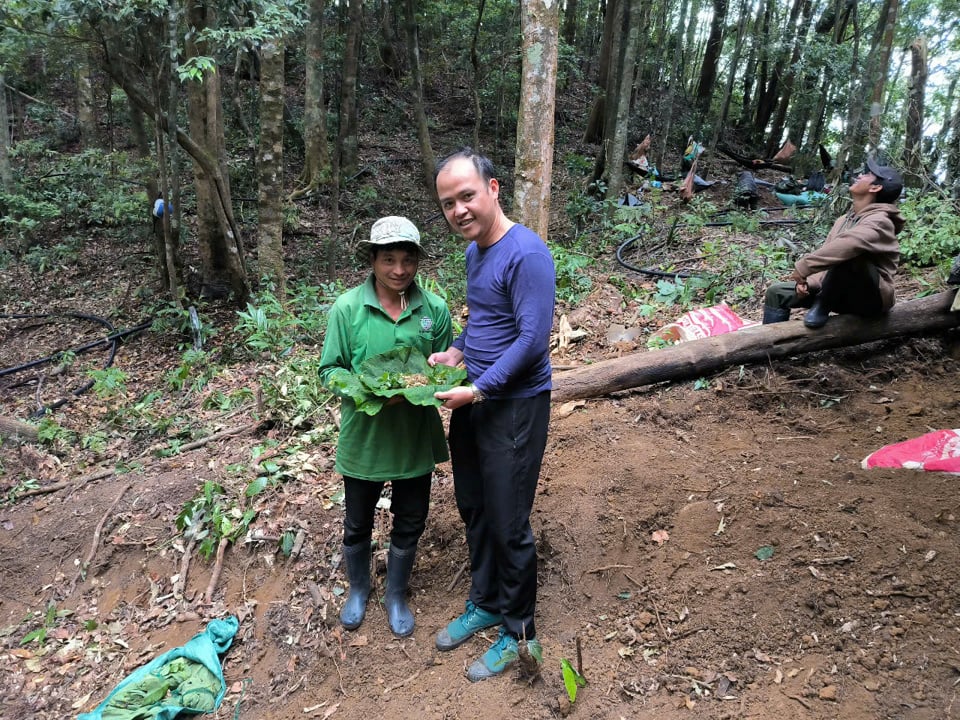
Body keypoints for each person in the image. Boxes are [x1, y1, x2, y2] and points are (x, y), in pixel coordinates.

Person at [429, 148, 555, 682]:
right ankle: (485, 602)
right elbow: (482, 322)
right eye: (448, 203)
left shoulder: (526, 253)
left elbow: (531, 340)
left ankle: (519, 630)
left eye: (467, 196)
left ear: (493, 189)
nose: (458, 210)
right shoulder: (475, 252)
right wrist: (456, 352)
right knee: (475, 507)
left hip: (514, 406)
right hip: (475, 400)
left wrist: (478, 389)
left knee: (509, 521)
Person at [318, 216, 453, 637]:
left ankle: (396, 593)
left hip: (414, 437)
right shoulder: (348, 309)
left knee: (410, 518)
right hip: (365, 437)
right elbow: (330, 370)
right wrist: (366, 391)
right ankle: (358, 589)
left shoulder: (433, 309)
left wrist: (431, 383)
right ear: (372, 259)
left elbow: (448, 367)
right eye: (388, 259)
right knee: (357, 521)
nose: (399, 269)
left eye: (407, 259)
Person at [762, 156, 904, 329]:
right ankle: (769, 349)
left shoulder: (881, 221)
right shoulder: (843, 220)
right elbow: (828, 254)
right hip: (838, 293)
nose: (860, 176)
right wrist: (809, 283)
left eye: (867, 175)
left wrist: (803, 267)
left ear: (876, 187)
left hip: (870, 299)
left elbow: (849, 245)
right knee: (777, 293)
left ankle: (823, 304)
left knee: (850, 254)